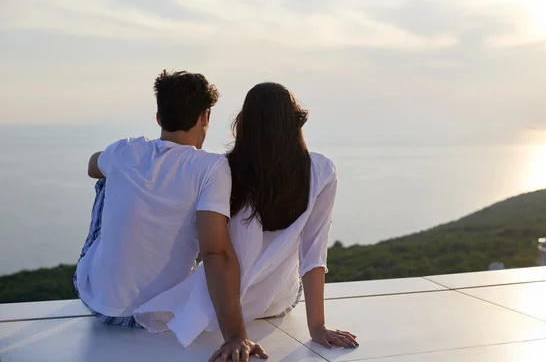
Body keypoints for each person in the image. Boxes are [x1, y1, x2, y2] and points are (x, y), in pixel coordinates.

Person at [134, 82, 358, 356]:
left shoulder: (222, 169)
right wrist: (318, 326)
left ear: (244, 124)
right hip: (278, 301)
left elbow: (212, 251)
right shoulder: (322, 170)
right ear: (294, 124)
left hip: (218, 309)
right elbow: (313, 253)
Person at [74, 70, 267, 362]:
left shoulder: (125, 150)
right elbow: (215, 253)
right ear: (205, 117)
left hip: (100, 305)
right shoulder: (211, 168)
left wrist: (125, 161)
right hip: (160, 316)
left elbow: (92, 165)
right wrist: (236, 336)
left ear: (159, 118)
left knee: (106, 180)